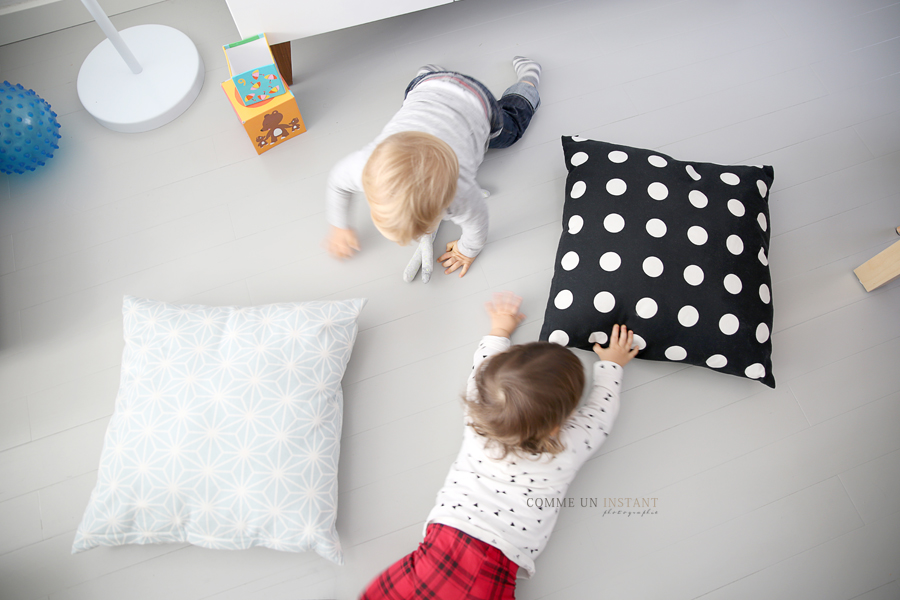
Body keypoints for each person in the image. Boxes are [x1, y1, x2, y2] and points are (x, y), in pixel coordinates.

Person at [359, 292, 639, 599]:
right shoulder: (567, 445)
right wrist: (611, 365)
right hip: (493, 562)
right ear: (561, 422)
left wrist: (500, 330)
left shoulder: (477, 413)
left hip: (444, 539)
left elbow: (483, 367)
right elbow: (601, 413)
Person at [325, 58, 542, 283]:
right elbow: (337, 183)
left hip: (477, 103)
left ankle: (528, 81)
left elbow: (478, 223)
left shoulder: (461, 193)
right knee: (415, 94)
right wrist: (339, 225)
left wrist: (466, 250)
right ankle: (431, 71)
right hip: (428, 87)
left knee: (511, 130)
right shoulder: (366, 166)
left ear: (445, 206)